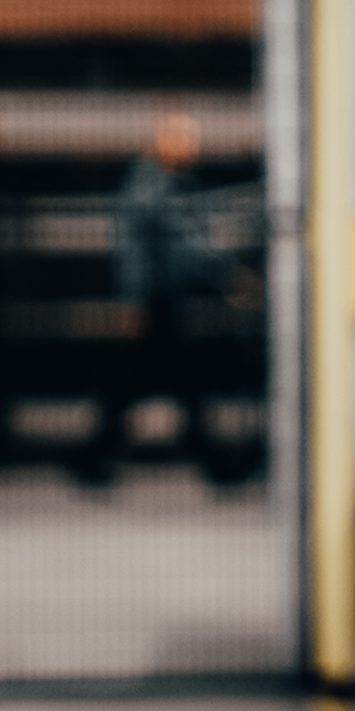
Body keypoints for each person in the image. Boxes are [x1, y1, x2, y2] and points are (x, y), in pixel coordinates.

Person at [73, 108, 232, 483]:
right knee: (168, 384)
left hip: (162, 302)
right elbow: (154, 248)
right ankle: (207, 457)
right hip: (154, 304)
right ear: (164, 141)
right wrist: (225, 276)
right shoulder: (154, 185)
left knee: (150, 385)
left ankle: (95, 454)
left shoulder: (164, 182)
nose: (193, 147)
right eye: (185, 139)